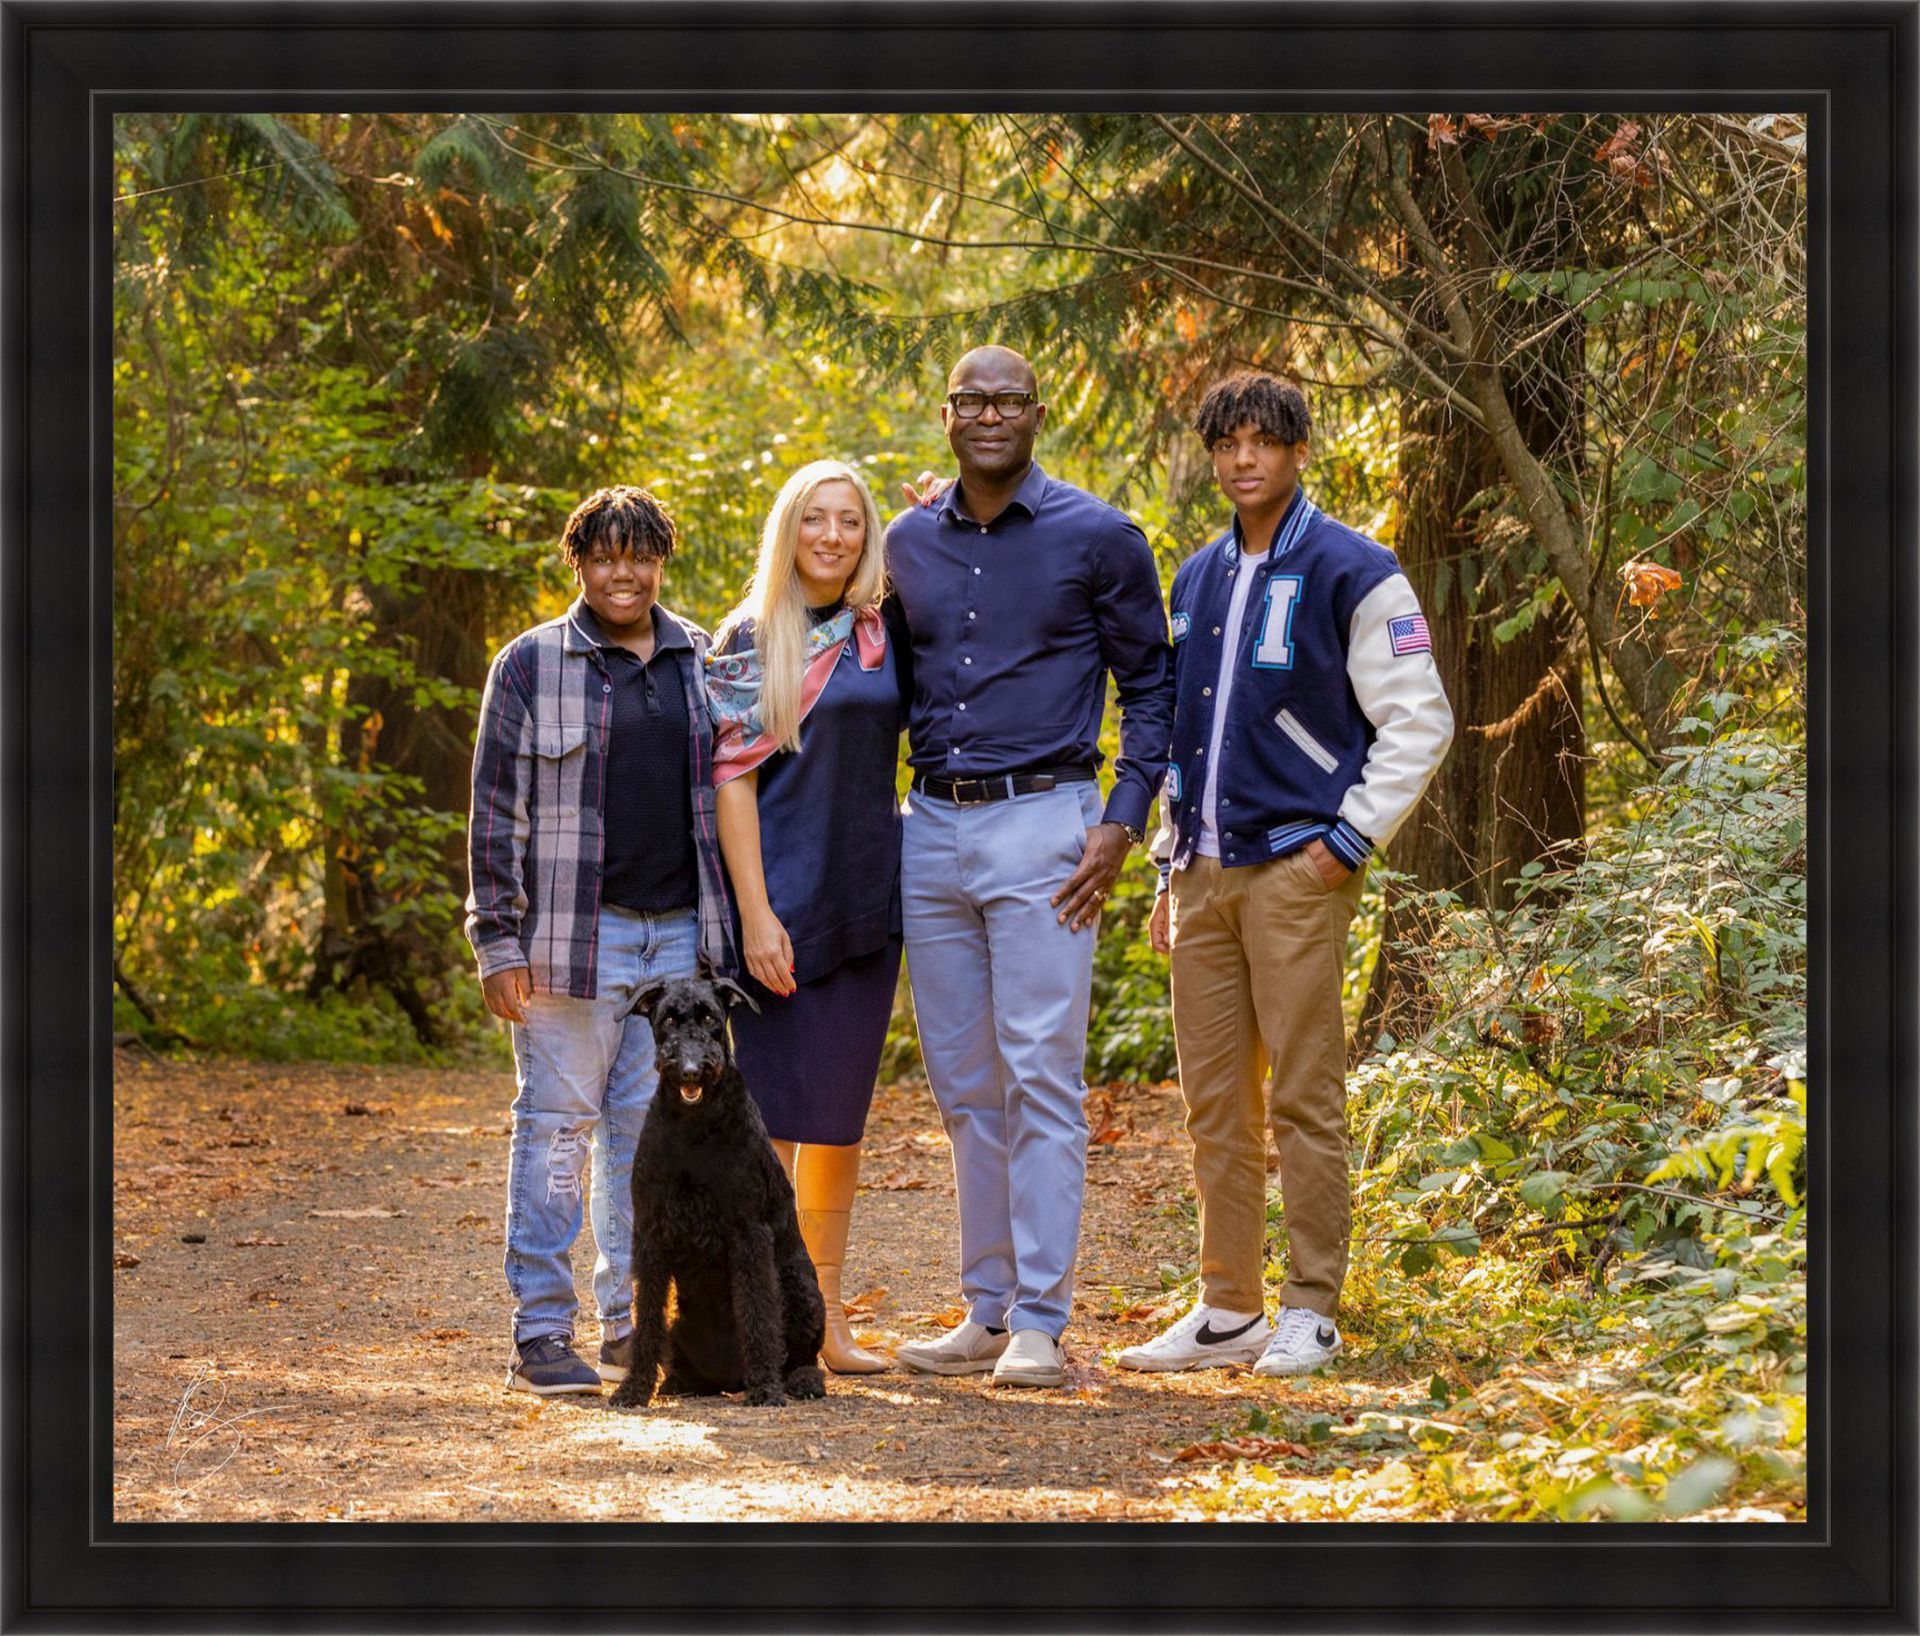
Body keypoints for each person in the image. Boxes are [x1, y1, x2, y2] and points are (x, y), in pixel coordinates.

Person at [1117, 371, 1453, 1379]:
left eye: (1264, 441)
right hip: (1203, 873)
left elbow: (1419, 719)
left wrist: (1345, 841)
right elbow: (1185, 734)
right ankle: (1228, 1306)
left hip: (1297, 872)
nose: (1244, 459)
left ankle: (1311, 1303)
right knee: (1215, 1101)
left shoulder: (1357, 568)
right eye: (1228, 444)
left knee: (1305, 1096)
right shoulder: (1200, 576)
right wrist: (1168, 865)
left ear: (1298, 450)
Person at [884, 345, 1175, 1388]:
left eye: (1009, 399)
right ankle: (987, 1308)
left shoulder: (1099, 537)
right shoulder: (904, 542)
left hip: (1049, 829)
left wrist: (1122, 820)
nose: (990, 414)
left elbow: (1153, 688)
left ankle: (1043, 1323)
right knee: (964, 1085)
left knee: (1041, 1077)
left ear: (1037, 413)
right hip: (930, 828)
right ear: (948, 412)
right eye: (972, 399)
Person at [466, 485, 737, 1395]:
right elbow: (495, 813)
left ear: (662, 560)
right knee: (554, 1128)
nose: (625, 572)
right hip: (573, 944)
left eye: (642, 555)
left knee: (642, 1134)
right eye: (606, 556)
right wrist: (496, 941)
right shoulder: (529, 664)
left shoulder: (700, 658)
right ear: (578, 562)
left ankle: (628, 1321)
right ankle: (542, 1332)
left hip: (677, 944)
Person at [706, 458, 904, 1376]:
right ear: (789, 530)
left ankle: (824, 1320)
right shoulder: (751, 637)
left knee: (838, 1120)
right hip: (781, 902)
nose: (832, 536)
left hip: (867, 899)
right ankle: (766, 1321)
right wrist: (755, 915)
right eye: (815, 519)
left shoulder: (879, 631)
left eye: (851, 522)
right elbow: (732, 784)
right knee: (773, 1121)